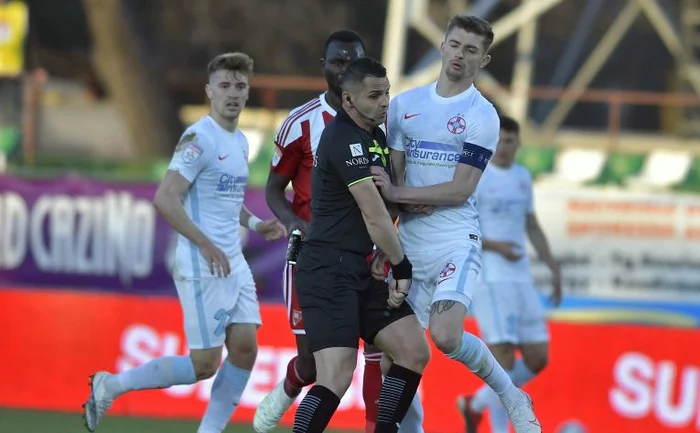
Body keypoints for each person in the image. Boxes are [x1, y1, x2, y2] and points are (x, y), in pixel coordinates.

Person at [82, 52, 286, 433]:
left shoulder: (240, 141)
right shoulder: (199, 137)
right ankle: (109, 385)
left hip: (232, 261)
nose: (233, 93)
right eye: (224, 85)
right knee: (204, 364)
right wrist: (206, 243)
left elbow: (226, 199)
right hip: (200, 261)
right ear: (209, 91)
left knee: (245, 349)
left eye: (240, 86)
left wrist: (257, 224)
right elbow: (165, 197)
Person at [372, 15, 541, 433]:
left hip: (454, 240)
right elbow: (395, 176)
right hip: (408, 243)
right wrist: (386, 240)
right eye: (455, 45)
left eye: (471, 50)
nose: (459, 55)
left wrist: (402, 196)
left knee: (446, 336)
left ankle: (511, 395)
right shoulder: (404, 106)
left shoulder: (482, 115)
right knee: (397, 357)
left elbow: (459, 191)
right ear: (443, 45)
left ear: (483, 59)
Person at [255, 30, 390, 433]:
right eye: (337, 62)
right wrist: (294, 222)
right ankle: (292, 383)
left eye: (353, 61)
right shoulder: (300, 124)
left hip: (367, 251)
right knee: (316, 364)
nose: (345, 69)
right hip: (317, 255)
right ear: (325, 68)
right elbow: (273, 189)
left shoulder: (382, 122)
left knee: (380, 351)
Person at [291, 57, 430, 433]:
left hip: (358, 267)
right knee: (334, 378)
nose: (385, 102)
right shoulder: (341, 137)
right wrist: (401, 267)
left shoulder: (377, 136)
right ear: (349, 100)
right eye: (374, 95)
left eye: (387, 93)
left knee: (413, 351)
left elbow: (385, 205)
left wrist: (398, 197)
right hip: (326, 269)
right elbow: (373, 214)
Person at [457, 116, 561, 433]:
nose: (504, 146)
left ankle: (474, 404)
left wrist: (553, 266)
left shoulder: (521, 177)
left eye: (510, 141)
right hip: (490, 276)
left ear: (518, 143)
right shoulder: (478, 177)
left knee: (537, 357)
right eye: (499, 140)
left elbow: (531, 223)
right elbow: (462, 225)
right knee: (502, 358)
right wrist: (495, 245)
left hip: (520, 277)